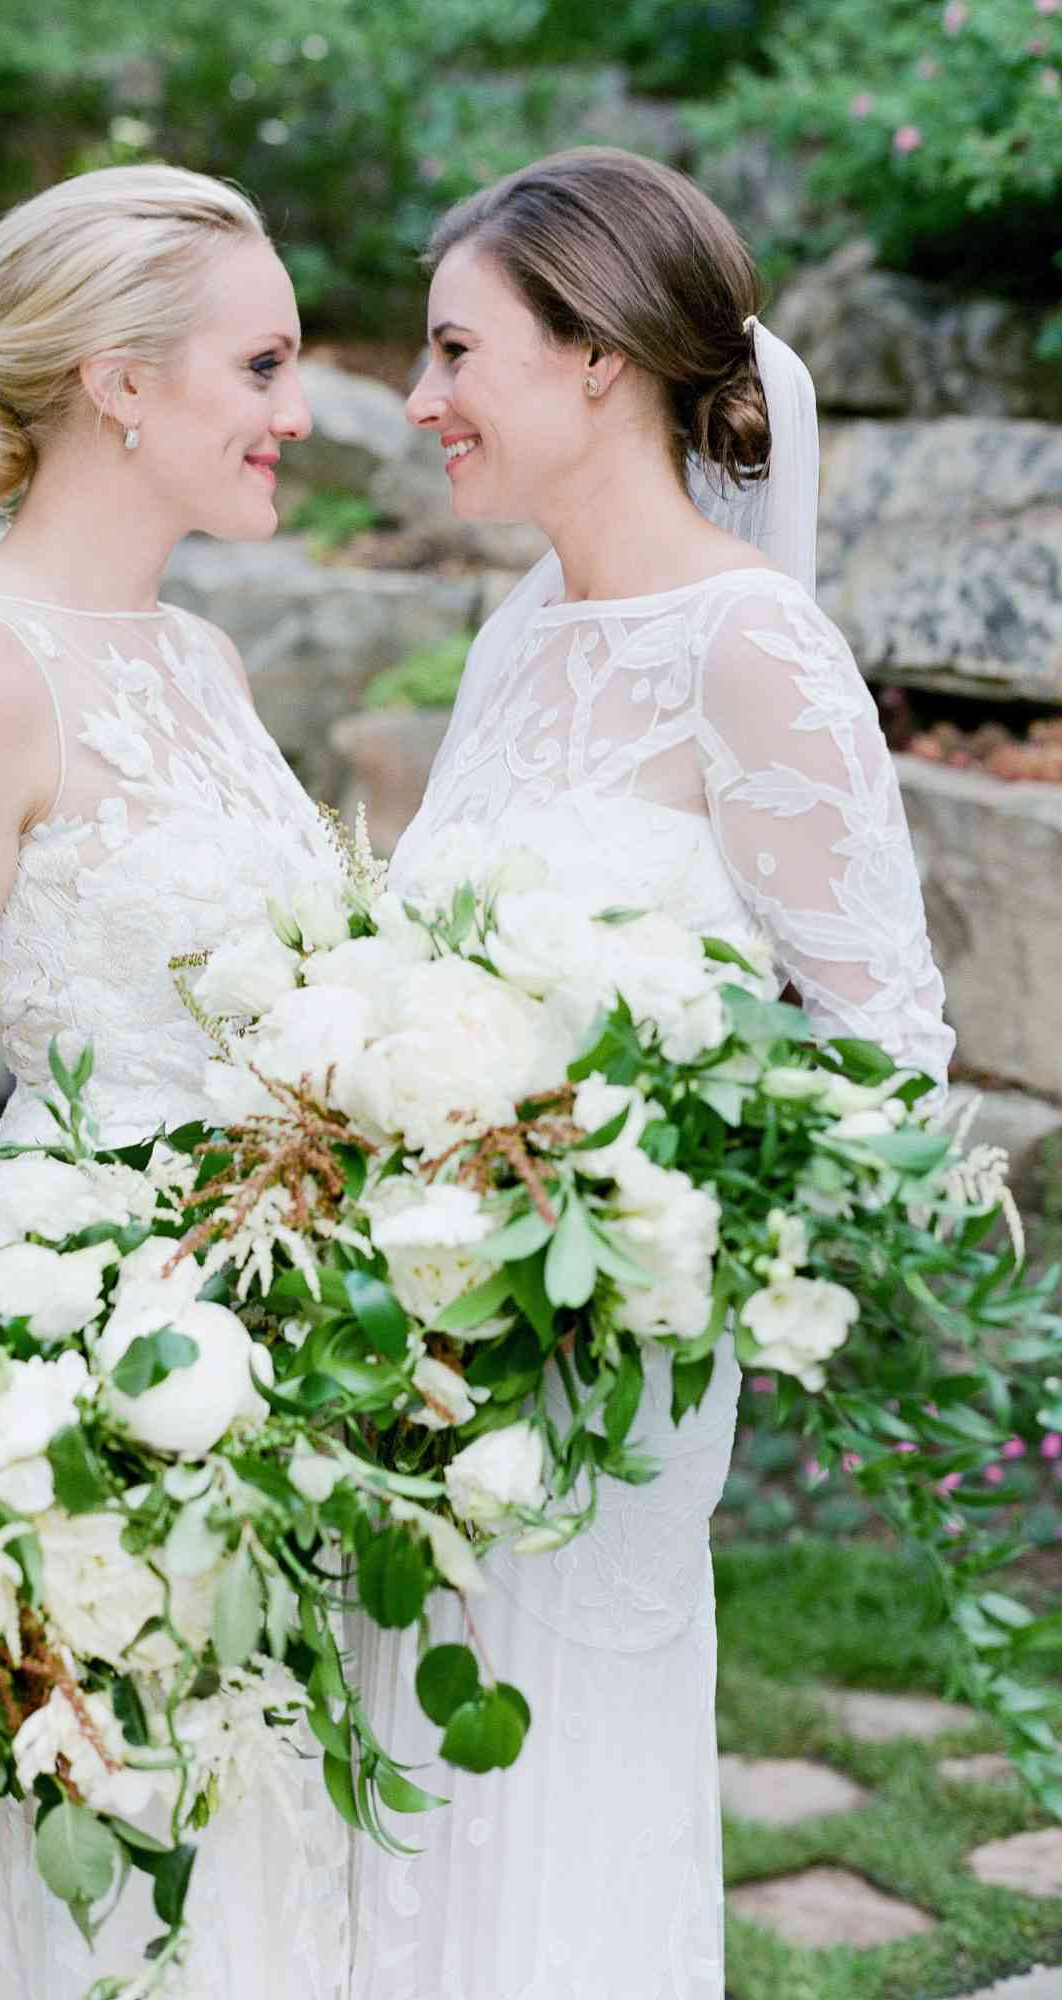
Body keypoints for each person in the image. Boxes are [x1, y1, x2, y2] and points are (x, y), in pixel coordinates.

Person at [347, 147, 955, 1999]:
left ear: (597, 356)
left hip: (600, 1363)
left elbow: (885, 1067)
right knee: (404, 1796)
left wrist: (623, 1213)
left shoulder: (751, 644)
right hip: (403, 1347)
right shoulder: (520, 636)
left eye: (457, 350)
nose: (418, 397)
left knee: (549, 1803)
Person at [0, 163, 350, 2000]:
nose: (299, 412)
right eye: (262, 365)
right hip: (85, 1411)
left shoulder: (195, 658)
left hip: (286, 1382)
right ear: (120, 380)